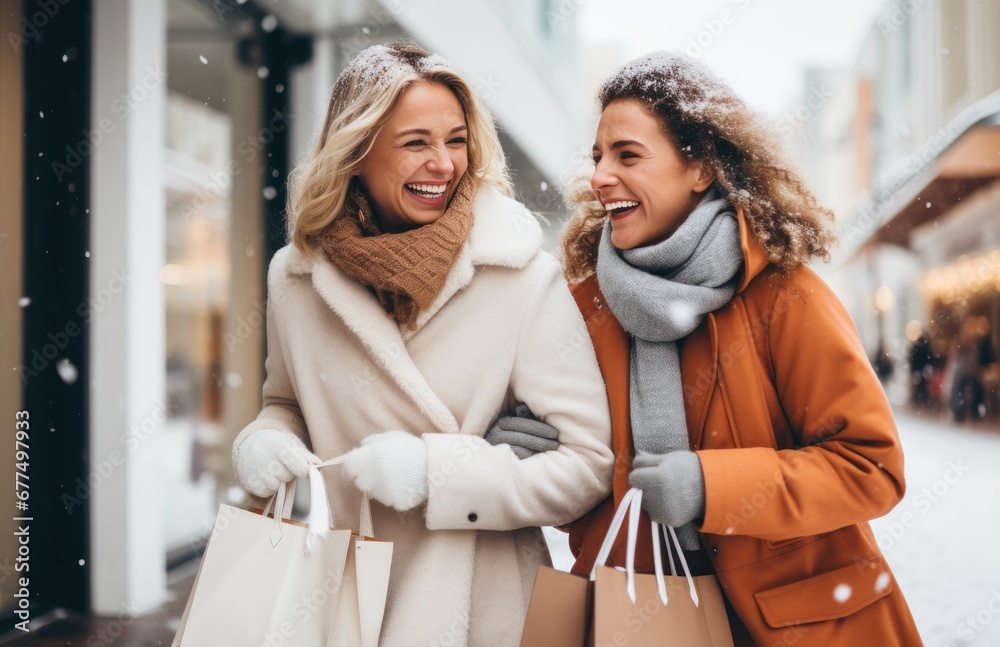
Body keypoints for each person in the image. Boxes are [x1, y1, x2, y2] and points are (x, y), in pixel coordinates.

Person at [231, 43, 614, 646]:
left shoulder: (519, 275)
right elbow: (288, 404)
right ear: (355, 152)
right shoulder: (296, 279)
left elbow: (588, 465)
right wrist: (264, 442)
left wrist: (438, 475)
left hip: (480, 609)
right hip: (342, 596)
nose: (443, 164)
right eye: (416, 143)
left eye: (456, 140)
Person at [561, 52, 922, 646]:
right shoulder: (583, 310)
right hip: (642, 621)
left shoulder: (786, 296)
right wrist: (539, 459)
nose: (600, 176)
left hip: (798, 625)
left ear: (700, 168)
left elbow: (871, 467)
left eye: (628, 155)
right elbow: (585, 493)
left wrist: (711, 487)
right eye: (598, 157)